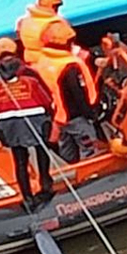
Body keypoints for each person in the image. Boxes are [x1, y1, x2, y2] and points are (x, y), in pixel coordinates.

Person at [0, 54, 55, 208]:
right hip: (35, 120)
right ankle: (46, 185)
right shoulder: (31, 81)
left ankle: (27, 197)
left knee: (20, 160)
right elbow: (47, 100)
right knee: (42, 151)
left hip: (9, 125)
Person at [32, 20, 101, 162]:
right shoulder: (68, 67)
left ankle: (71, 172)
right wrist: (91, 113)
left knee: (67, 150)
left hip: (56, 117)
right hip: (75, 116)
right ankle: (92, 175)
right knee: (89, 148)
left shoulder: (42, 62)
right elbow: (78, 93)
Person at [16, 0, 71, 64]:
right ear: (53, 6)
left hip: (30, 62)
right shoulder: (54, 25)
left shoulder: (22, 22)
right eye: (56, 7)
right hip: (50, 64)